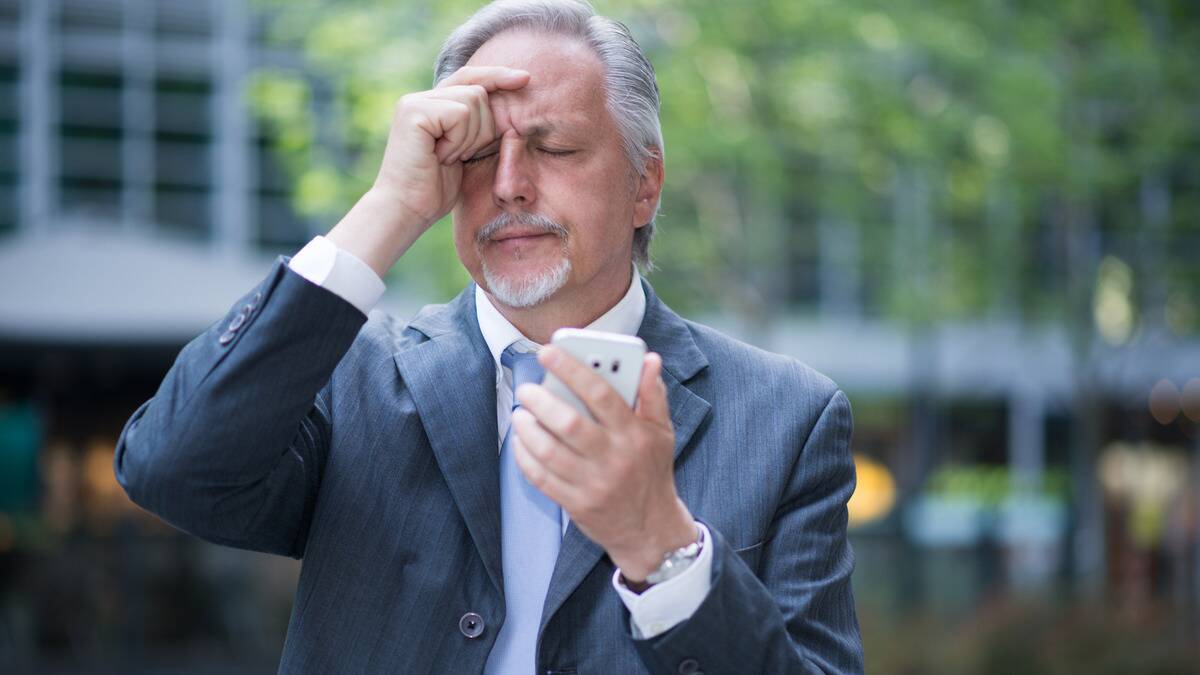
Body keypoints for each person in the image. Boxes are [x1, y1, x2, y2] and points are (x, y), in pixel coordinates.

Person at [113, 1, 863, 672]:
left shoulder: (788, 417)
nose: (507, 184)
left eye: (554, 148)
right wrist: (389, 206)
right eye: (474, 154)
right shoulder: (351, 374)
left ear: (645, 184)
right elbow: (172, 470)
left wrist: (663, 550)